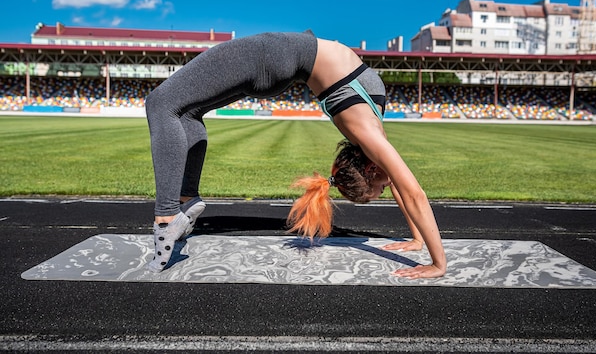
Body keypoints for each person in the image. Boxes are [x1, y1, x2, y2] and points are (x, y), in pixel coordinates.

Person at [145, 31, 447, 278]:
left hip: (272, 56)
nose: (387, 187)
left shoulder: (366, 132)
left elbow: (409, 191)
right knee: (188, 112)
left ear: (369, 170)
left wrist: (437, 264)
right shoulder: (369, 134)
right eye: (380, 190)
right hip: (276, 59)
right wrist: (420, 241)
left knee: (161, 103)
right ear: (371, 170)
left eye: (379, 190)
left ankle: (168, 214)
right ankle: (186, 200)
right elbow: (406, 190)